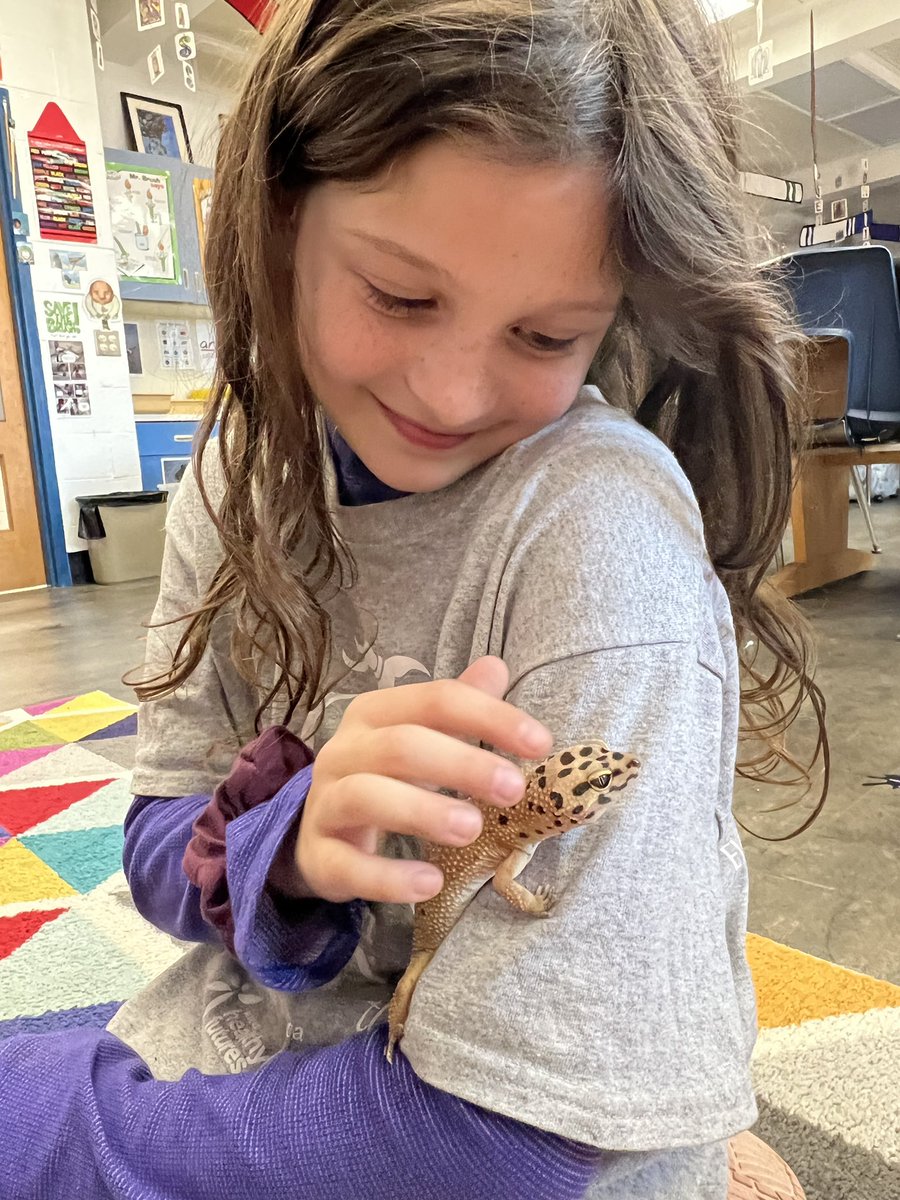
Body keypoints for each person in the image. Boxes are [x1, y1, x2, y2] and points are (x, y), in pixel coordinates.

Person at [1, 0, 827, 1196]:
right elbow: (155, 836)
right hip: (297, 1033)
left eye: (546, 335)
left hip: (498, 1132)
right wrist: (287, 850)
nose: (447, 391)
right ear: (279, 213)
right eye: (397, 294)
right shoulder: (239, 464)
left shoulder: (600, 541)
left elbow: (514, 1143)